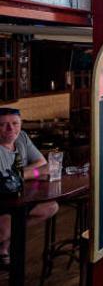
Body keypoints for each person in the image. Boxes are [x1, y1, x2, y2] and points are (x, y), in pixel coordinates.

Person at [0, 108, 58, 266]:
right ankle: (5, 244)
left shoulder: (22, 138)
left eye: (15, 123)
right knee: (6, 227)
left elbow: (43, 164)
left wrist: (20, 174)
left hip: (21, 197)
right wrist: (35, 173)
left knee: (51, 207)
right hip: (3, 202)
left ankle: (5, 243)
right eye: (3, 125)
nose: (10, 129)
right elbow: (5, 181)